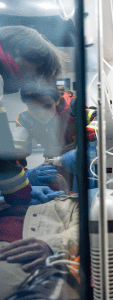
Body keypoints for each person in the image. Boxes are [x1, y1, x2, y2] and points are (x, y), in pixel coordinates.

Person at [0, 25, 67, 206]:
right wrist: (23, 190)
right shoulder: (24, 117)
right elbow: (5, 152)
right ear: (21, 52)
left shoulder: (71, 107)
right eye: (36, 70)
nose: (30, 78)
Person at [14, 79, 98, 190]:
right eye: (34, 108)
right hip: (53, 161)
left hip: (80, 159)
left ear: (57, 100)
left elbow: (99, 116)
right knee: (57, 196)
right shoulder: (24, 120)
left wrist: (93, 128)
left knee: (86, 195)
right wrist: (23, 173)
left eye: (47, 106)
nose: (41, 114)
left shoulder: (73, 107)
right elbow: (16, 154)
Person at [0, 193, 79, 299]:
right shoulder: (5, 202)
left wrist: (50, 246)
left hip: (22, 259)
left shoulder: (71, 203)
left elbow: (83, 231)